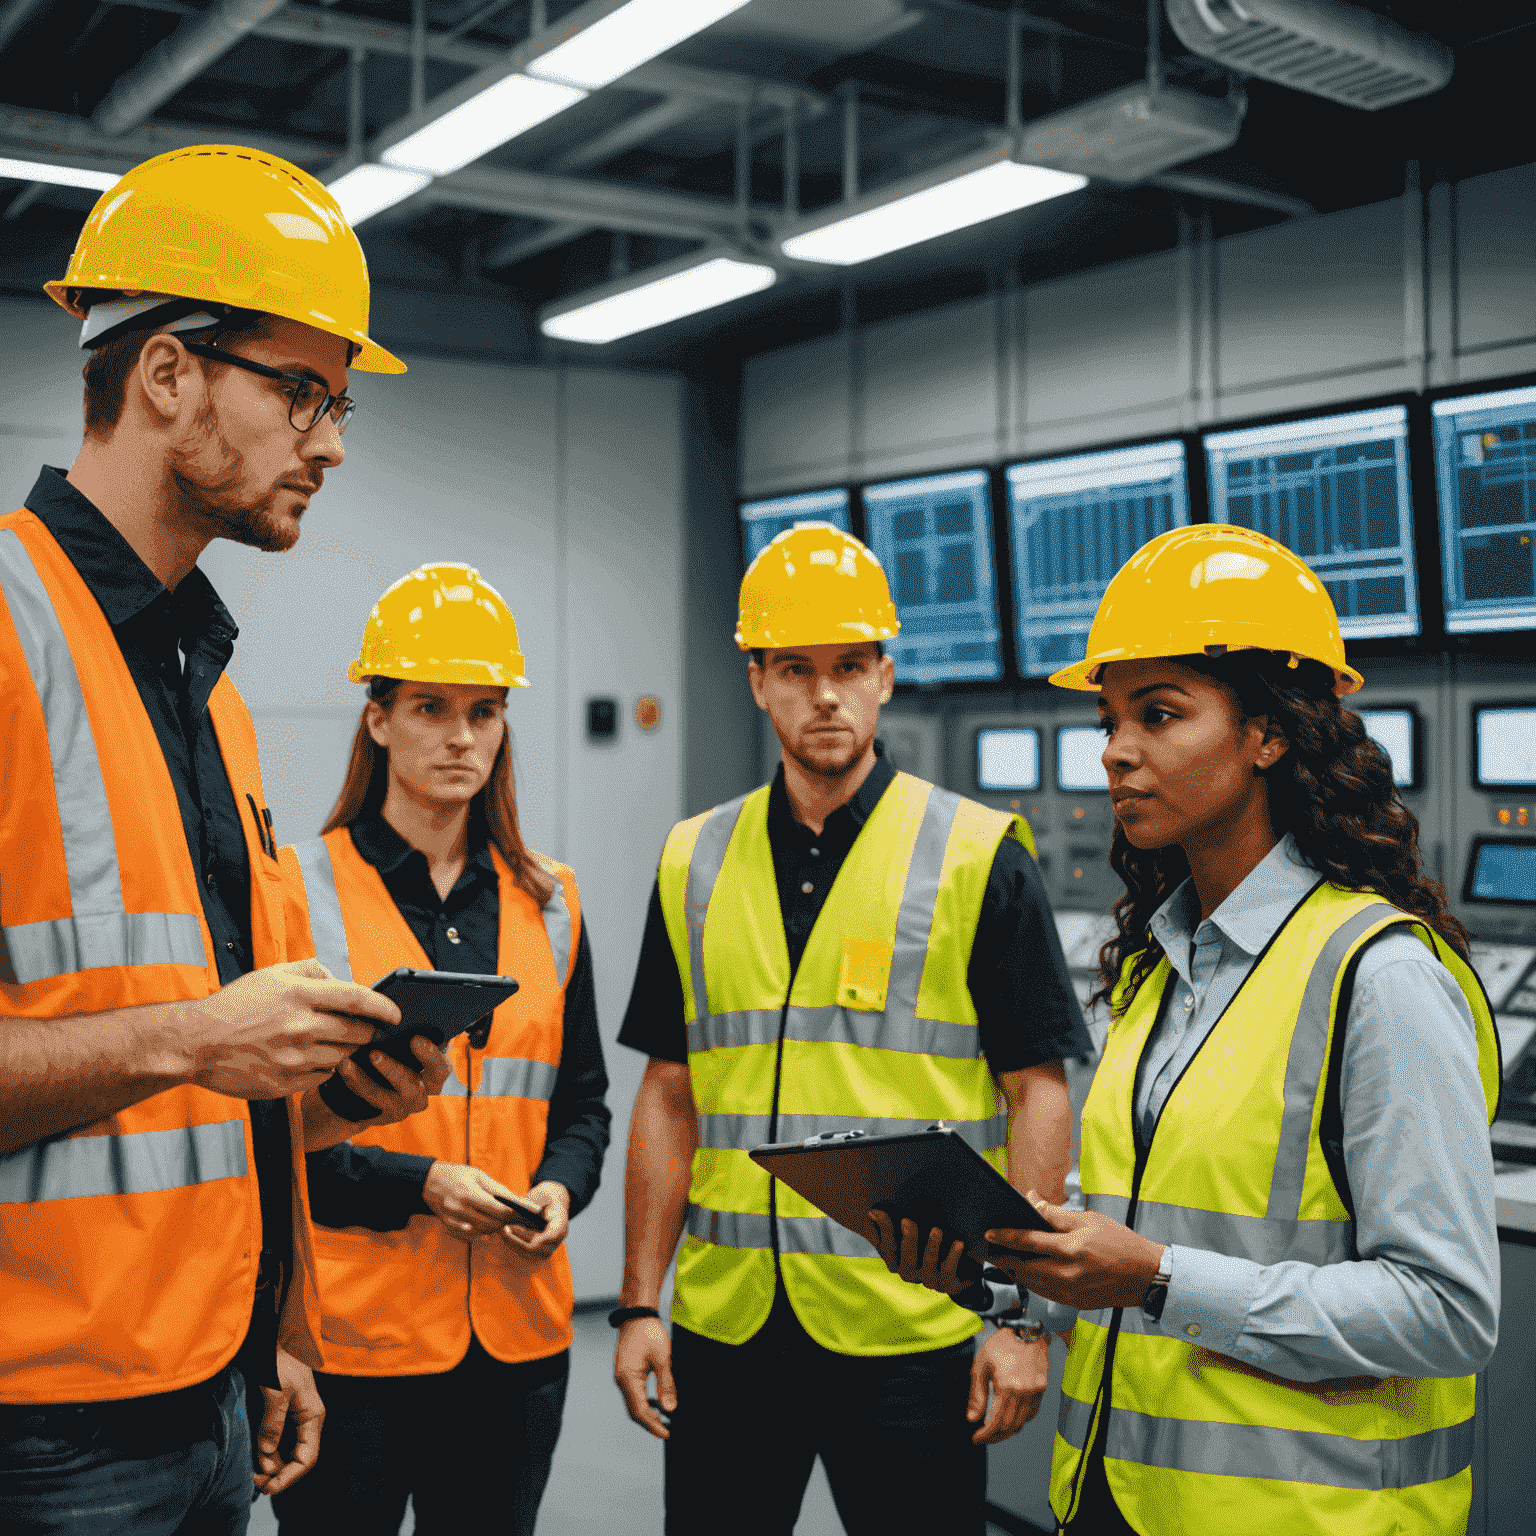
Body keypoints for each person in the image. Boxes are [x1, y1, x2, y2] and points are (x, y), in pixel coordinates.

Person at [0, 146, 455, 1536]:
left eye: (338, 404)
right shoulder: (6, 634)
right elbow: (180, 1045)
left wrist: (335, 1099)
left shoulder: (218, 701)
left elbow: (192, 1099)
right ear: (168, 375)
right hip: (45, 1435)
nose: (330, 440)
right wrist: (196, 1036)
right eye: (303, 390)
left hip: (214, 1397)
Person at [916, 525, 1499, 1534]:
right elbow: (1134, 1239)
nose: (1115, 752)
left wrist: (1157, 1279)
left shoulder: (1382, 978)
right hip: (1121, 1499)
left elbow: (1447, 1313)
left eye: (1160, 714)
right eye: (1110, 719)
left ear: (1268, 734)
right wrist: (1002, 1277)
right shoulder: (1163, 964)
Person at [613, 521, 1091, 1536]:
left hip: (911, 1325)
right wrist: (639, 1302)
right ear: (757, 680)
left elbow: (1036, 1093)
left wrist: (1024, 1319)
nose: (823, 694)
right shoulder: (692, 860)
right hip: (727, 1325)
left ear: (884, 674)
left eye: (848, 666)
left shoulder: (975, 854)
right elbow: (667, 1092)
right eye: (796, 668)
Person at [271, 563, 611, 1536]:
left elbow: (581, 1101)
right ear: (376, 717)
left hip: (517, 1346)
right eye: (430, 707)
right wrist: (418, 1184)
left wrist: (561, 1188)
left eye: (484, 711)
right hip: (355, 1344)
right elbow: (265, 1134)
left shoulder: (552, 901)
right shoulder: (299, 890)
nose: (461, 738)